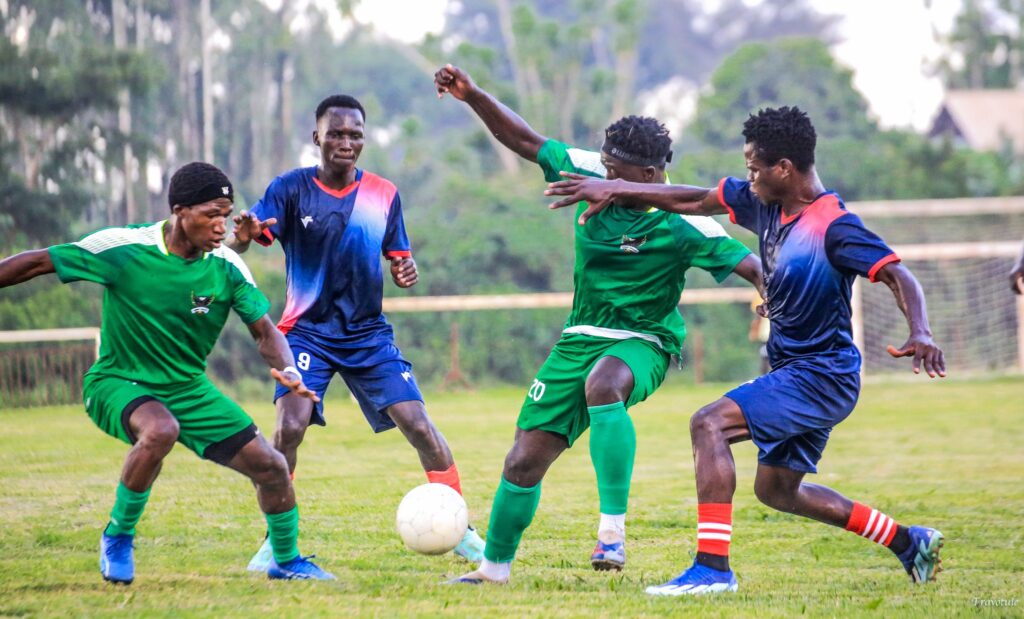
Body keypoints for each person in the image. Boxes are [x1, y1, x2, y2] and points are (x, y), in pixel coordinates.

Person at [546, 106, 946, 595]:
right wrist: (617, 188)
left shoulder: (834, 225)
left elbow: (897, 274)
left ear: (785, 169)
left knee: (708, 423)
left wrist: (922, 331)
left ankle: (713, 570)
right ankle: (908, 541)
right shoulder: (765, 204)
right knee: (777, 491)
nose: (749, 177)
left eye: (755, 168)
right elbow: (693, 199)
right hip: (794, 370)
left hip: (822, 375)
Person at [434, 64, 763, 583]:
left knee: (604, 383)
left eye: (615, 172)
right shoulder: (590, 170)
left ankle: (612, 533)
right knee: (522, 460)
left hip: (645, 341)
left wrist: (774, 299)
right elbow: (525, 141)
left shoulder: (686, 221)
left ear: (649, 177)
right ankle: (493, 569)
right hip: (580, 336)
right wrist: (472, 94)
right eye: (604, 167)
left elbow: (756, 268)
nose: (603, 178)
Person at [0, 162, 334, 583]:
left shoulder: (226, 265)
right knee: (161, 430)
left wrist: (287, 369)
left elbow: (265, 332)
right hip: (117, 381)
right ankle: (118, 535)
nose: (221, 226)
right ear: (180, 211)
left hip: (188, 389)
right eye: (211, 215)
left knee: (272, 466)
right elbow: (37, 262)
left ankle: (285, 561)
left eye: (226, 215)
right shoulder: (125, 248)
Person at [227, 94, 485, 569]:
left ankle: (463, 530)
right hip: (306, 333)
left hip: (368, 335)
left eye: (355, 135)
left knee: (419, 424)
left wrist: (406, 271)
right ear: (317, 137)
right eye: (336, 133)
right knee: (289, 427)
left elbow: (400, 259)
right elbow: (248, 237)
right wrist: (241, 236)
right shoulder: (290, 189)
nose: (346, 142)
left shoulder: (383, 194)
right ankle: (276, 543)